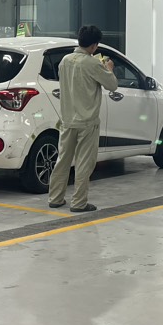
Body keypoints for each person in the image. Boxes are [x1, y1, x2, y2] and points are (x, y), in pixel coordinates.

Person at [47, 24, 118, 213]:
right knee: (84, 163)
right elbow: (112, 85)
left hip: (67, 119)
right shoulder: (92, 63)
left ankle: (55, 198)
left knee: (63, 160)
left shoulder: (65, 61)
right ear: (94, 45)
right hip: (87, 122)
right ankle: (79, 202)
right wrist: (109, 69)